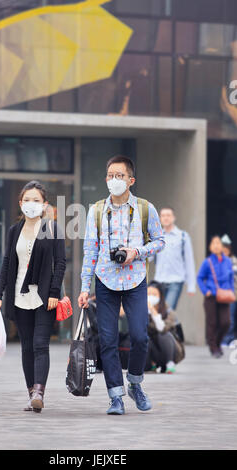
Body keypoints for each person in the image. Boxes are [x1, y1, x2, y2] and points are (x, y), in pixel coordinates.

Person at [78, 155, 165, 415]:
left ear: (131, 180)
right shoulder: (95, 211)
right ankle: (115, 396)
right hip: (105, 281)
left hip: (135, 280)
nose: (114, 180)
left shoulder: (145, 208)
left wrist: (135, 252)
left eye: (120, 176)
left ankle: (135, 383)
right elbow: (89, 251)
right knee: (107, 340)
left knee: (140, 336)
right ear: (106, 179)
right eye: (110, 176)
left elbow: (160, 241)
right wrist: (84, 287)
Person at [0, 181, 66, 412]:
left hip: (44, 297)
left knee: (40, 344)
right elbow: (6, 263)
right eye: (27, 200)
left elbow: (61, 263)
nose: (31, 204)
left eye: (36, 200)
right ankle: (31, 394)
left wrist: (55, 292)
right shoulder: (15, 231)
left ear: (44, 205)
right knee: (26, 347)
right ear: (20, 203)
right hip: (19, 296)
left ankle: (39, 393)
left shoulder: (52, 229)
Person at [197, 235, 234, 358]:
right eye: (214, 243)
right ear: (211, 247)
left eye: (219, 243)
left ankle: (217, 343)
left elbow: (230, 279)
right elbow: (200, 278)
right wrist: (205, 290)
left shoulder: (228, 261)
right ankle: (213, 348)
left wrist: (231, 291)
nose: (217, 246)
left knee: (226, 323)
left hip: (225, 296)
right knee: (212, 323)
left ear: (222, 247)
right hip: (211, 296)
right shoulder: (207, 262)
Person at [154, 207, 196, 310]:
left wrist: (191, 285)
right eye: (163, 216)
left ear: (173, 218)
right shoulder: (157, 237)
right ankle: (173, 326)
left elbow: (189, 261)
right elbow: (149, 257)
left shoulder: (183, 236)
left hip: (176, 281)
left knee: (168, 311)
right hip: (159, 280)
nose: (166, 218)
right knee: (158, 313)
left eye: (168, 215)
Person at [145, 281, 185, 374]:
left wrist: (153, 312)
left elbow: (162, 328)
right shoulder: (141, 308)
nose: (151, 296)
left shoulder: (167, 310)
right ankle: (151, 364)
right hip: (151, 352)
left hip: (169, 350)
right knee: (144, 337)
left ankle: (169, 363)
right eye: (149, 294)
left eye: (154, 294)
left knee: (164, 335)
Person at [221, 234, 237, 345]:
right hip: (219, 294)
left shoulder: (234, 261)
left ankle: (228, 339)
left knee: (230, 318)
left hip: (232, 294)